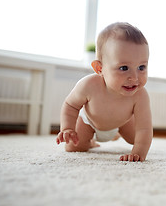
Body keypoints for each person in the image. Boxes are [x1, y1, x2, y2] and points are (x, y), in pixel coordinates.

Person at [56, 22, 153, 162]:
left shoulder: (140, 95)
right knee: (73, 147)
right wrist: (67, 128)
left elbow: (144, 128)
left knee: (137, 139)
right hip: (89, 122)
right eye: (124, 68)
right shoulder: (88, 85)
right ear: (99, 68)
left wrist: (138, 153)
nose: (135, 77)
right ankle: (91, 142)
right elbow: (70, 105)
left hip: (123, 122)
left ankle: (116, 134)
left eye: (141, 67)